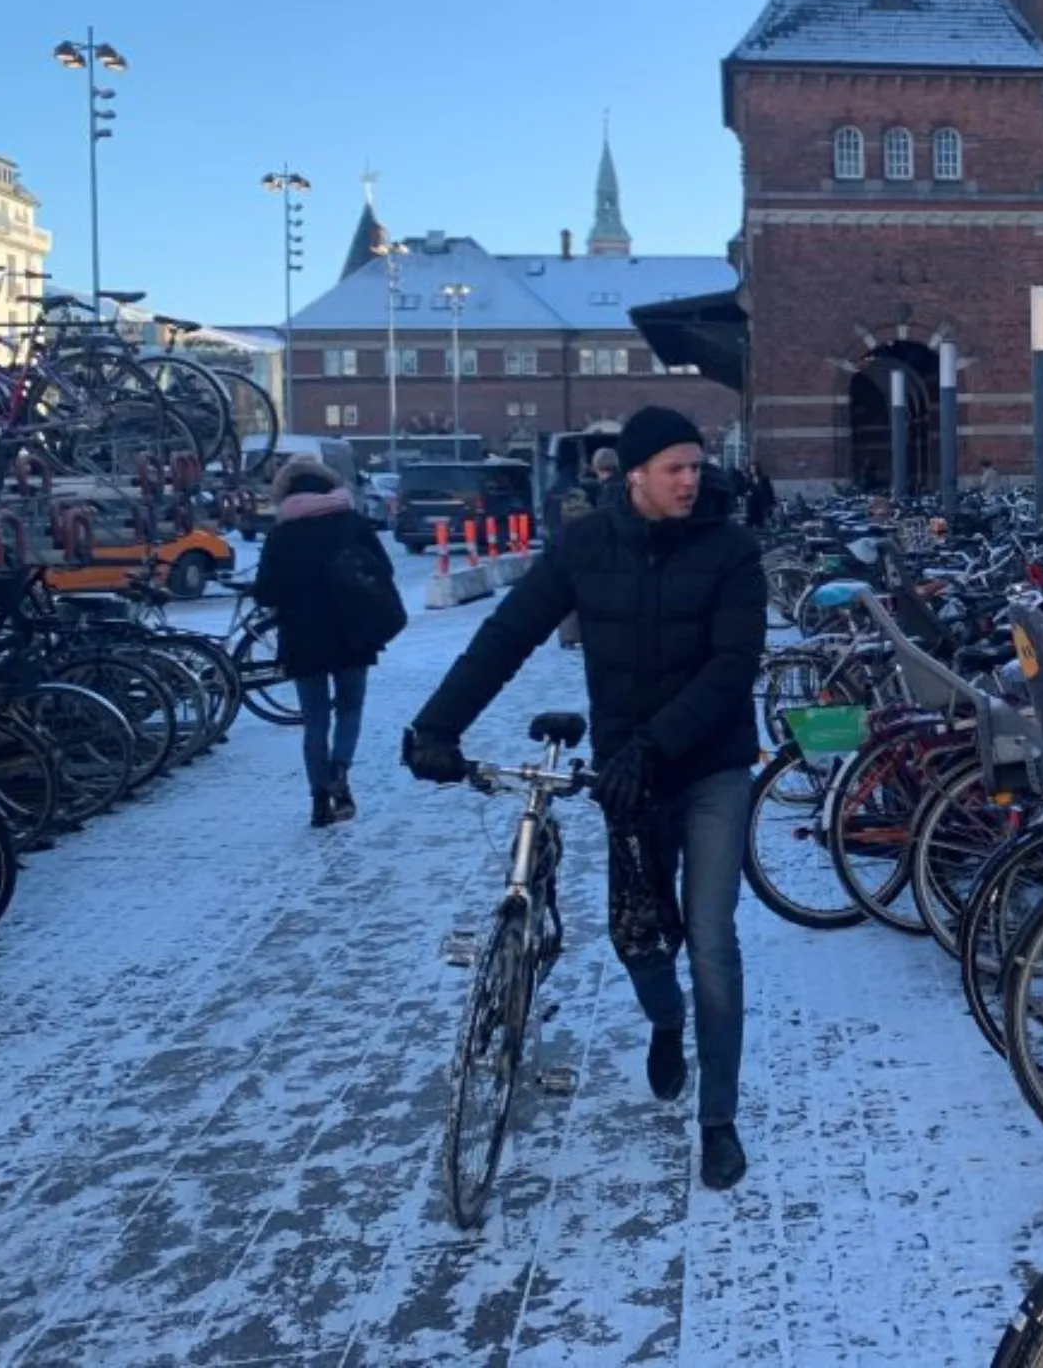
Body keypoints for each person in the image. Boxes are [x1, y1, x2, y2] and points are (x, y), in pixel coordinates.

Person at [404, 407, 767, 1191]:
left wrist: (654, 744)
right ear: (631, 473)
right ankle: (666, 1024)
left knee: (711, 941)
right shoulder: (583, 546)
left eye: (696, 466)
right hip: (626, 775)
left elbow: (734, 665)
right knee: (638, 937)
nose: (690, 479)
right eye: (674, 467)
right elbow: (506, 635)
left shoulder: (731, 548)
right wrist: (436, 725)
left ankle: (719, 1121)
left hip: (710, 768)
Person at [252, 455, 398, 828]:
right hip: (353, 633)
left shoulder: (281, 534)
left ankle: (319, 799)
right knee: (349, 708)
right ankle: (341, 773)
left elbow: (265, 593)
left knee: (314, 719)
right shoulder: (351, 523)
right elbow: (384, 570)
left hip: (303, 639)